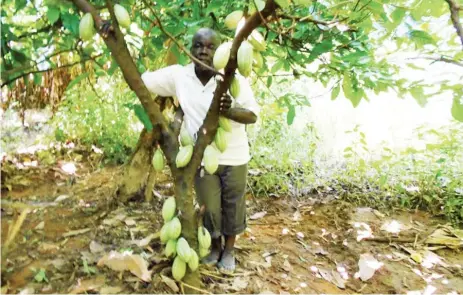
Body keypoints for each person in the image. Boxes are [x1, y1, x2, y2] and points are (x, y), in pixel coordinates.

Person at [141, 28, 260, 274]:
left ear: (221, 53)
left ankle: (229, 250)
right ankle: (214, 247)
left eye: (210, 47)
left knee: (233, 205)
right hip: (202, 156)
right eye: (198, 46)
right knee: (209, 206)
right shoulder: (180, 76)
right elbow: (143, 80)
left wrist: (230, 110)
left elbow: (252, 115)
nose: (204, 51)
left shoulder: (231, 79)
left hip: (235, 155)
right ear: (190, 49)